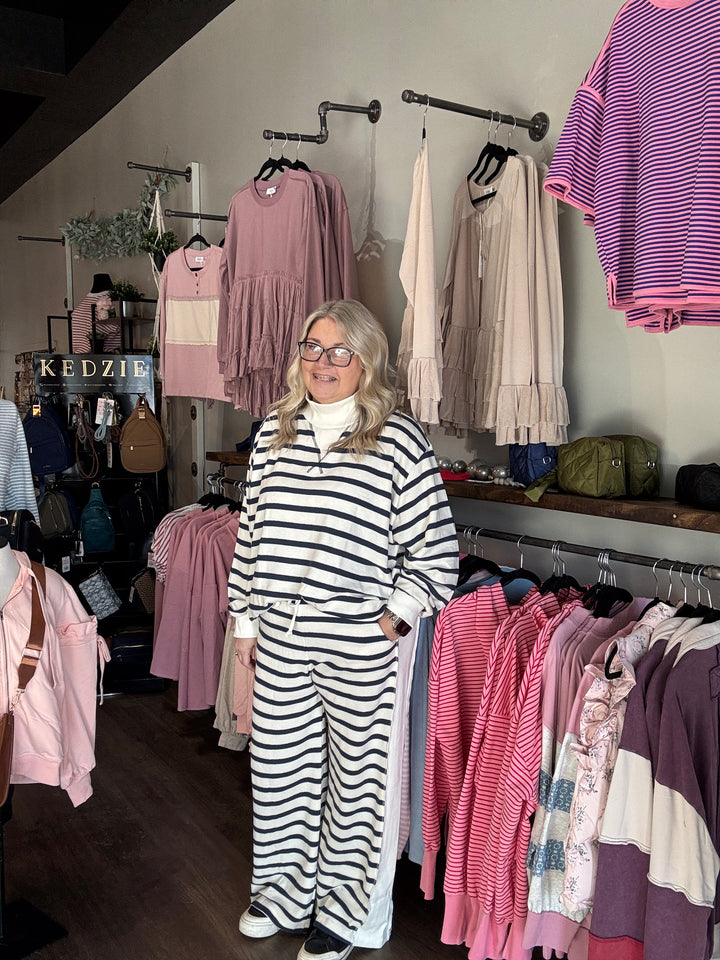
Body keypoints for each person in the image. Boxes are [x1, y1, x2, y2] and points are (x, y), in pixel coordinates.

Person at [228, 299, 458, 960]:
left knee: (358, 785)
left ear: (366, 362)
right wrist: (246, 623)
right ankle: (282, 894)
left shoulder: (398, 439)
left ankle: (347, 914)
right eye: (312, 347)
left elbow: (436, 552)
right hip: (279, 637)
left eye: (339, 351)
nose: (322, 362)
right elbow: (252, 536)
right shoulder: (277, 428)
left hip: (360, 643)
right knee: (280, 775)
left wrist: (397, 614)